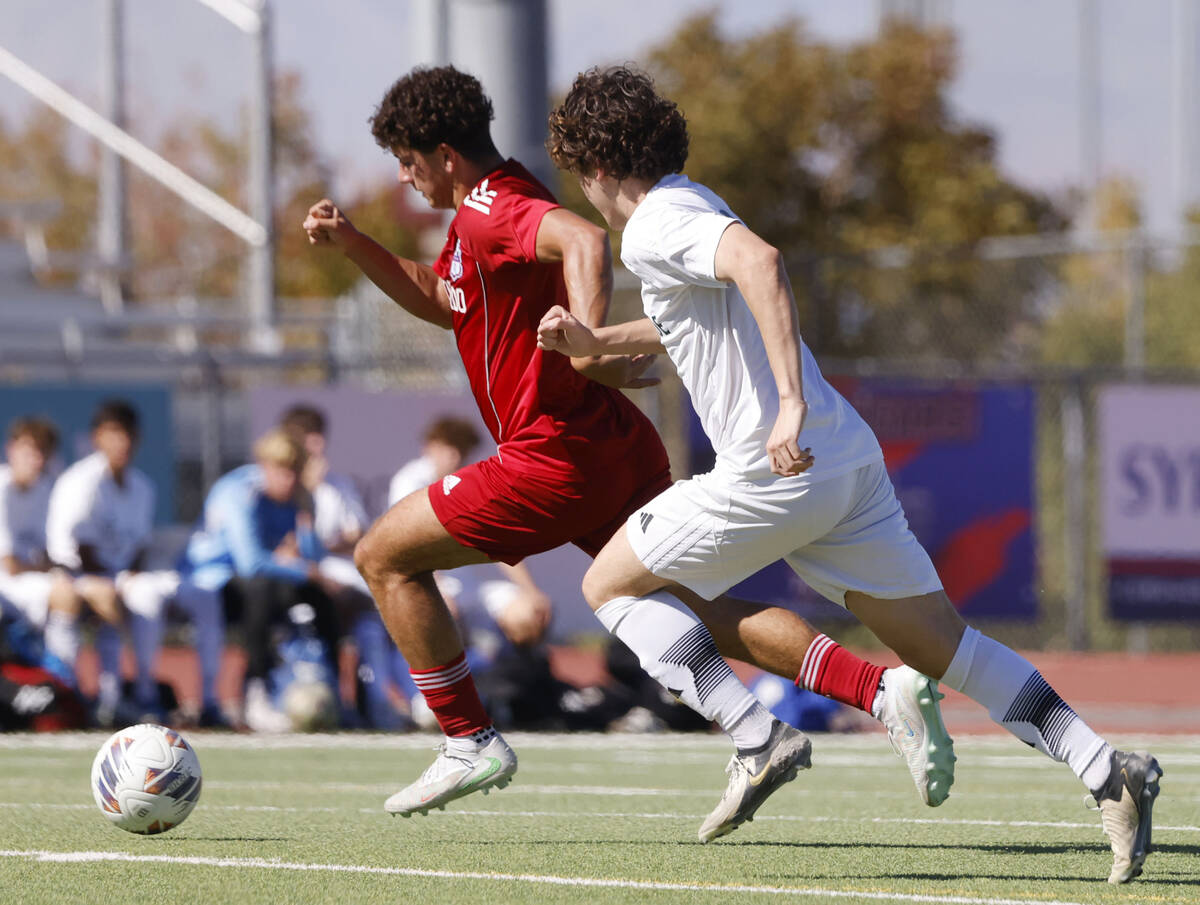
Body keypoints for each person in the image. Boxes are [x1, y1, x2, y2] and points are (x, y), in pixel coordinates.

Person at [539, 64, 1161, 879]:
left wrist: (787, 404)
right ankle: (1104, 767)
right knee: (944, 646)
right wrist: (595, 346)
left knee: (608, 588)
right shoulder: (687, 203)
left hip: (776, 468)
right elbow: (679, 321)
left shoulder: (652, 221)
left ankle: (758, 736)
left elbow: (761, 264)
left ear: (595, 166)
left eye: (576, 173)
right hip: (846, 464)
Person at [302, 65, 949, 835]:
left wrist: (586, 344)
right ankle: (879, 690)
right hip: (611, 443)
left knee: (382, 556)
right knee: (691, 606)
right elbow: (443, 299)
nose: (406, 181)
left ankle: (467, 737)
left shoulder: (487, 209)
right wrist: (353, 244)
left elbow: (584, 238)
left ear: (444, 155)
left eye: (408, 164)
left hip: (550, 454)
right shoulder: (490, 207)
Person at [177, 428, 341, 732]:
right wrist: (305, 569)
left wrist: (304, 524)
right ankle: (255, 692)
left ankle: (339, 692)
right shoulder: (239, 492)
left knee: (322, 597)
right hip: (209, 579)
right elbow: (251, 563)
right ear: (264, 466)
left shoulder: (300, 496)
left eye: (294, 472)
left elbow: (310, 556)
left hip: (262, 579)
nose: (288, 480)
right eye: (281, 471)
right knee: (263, 591)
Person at [44, 400, 180, 723]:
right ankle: (69, 692)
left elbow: (139, 546)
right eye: (114, 434)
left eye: (128, 435)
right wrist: (112, 580)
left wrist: (129, 576)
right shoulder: (82, 481)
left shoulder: (143, 487)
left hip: (116, 575)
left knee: (147, 592)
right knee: (106, 594)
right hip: (73, 573)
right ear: (97, 438)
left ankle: (138, 692)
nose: (123, 443)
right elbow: (78, 547)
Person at [0, 417, 77, 681]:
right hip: (6, 586)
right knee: (65, 593)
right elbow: (10, 564)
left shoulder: (46, 489)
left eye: (43, 452)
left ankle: (83, 693)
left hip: (29, 580)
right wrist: (48, 568)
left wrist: (52, 567)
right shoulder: (2, 487)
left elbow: (50, 553)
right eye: (29, 451)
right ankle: (61, 682)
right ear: (11, 449)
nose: (36, 459)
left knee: (98, 594)